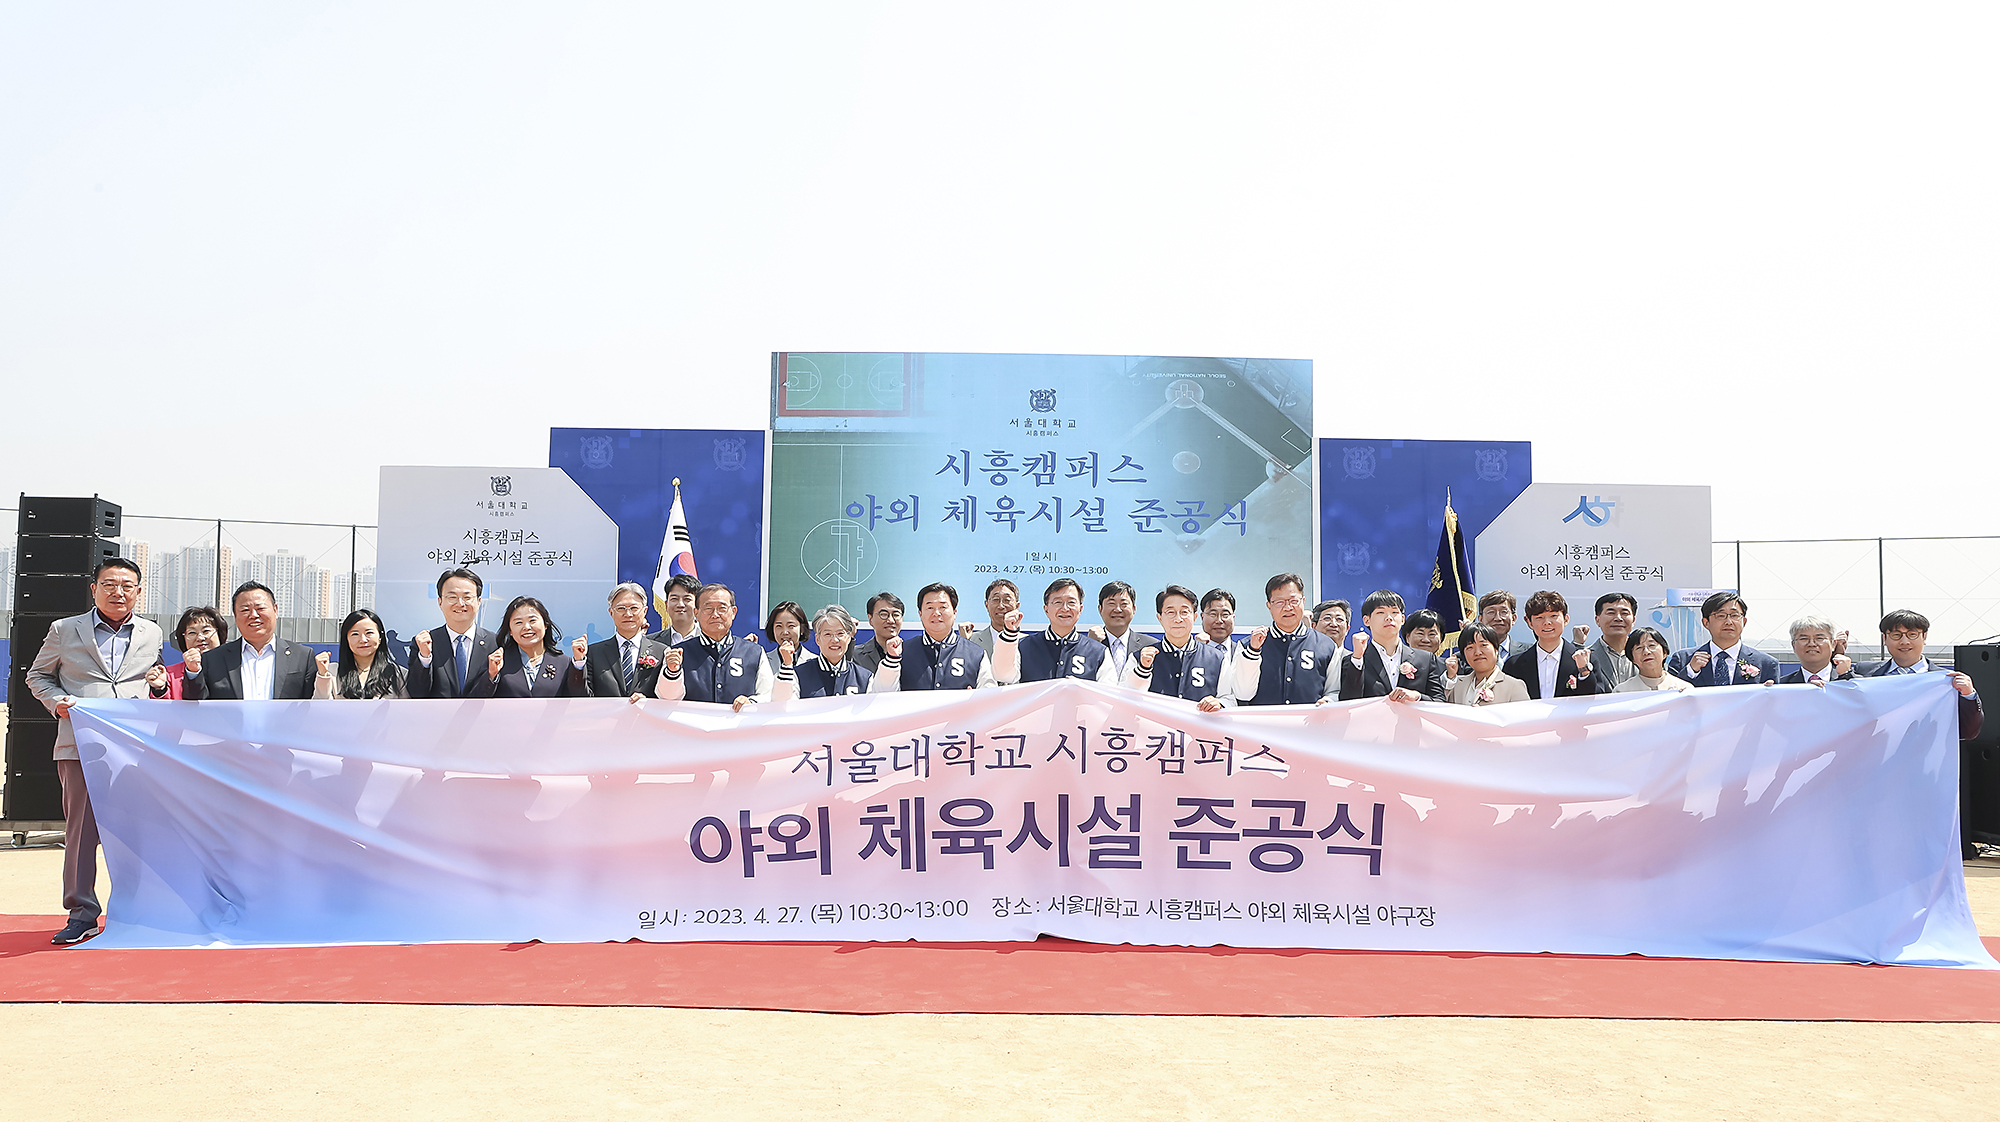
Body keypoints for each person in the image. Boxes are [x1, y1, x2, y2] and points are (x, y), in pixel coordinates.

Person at [24, 558, 164, 946]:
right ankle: (81, 913)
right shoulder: (64, 629)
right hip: (80, 746)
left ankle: (135, 910)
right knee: (81, 834)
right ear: (94, 589)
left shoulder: (152, 632)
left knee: (136, 834)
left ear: (138, 591)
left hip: (134, 749)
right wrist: (58, 703)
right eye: (110, 584)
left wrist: (158, 686)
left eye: (127, 586)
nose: (118, 592)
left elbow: (154, 683)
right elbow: (37, 676)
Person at [183, 581, 319, 700]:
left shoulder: (302, 657)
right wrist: (193, 673)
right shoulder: (213, 659)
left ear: (275, 610)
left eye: (260, 608)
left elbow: (313, 705)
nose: (253, 615)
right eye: (245, 610)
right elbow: (197, 706)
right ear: (235, 615)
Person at [1866, 609, 1982, 739]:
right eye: (1896, 635)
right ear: (1884, 638)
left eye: (1912, 634)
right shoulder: (1865, 674)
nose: (1904, 641)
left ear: (1924, 637)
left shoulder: (1948, 681)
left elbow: (1968, 732)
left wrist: (1968, 695)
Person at [654, 583, 773, 710]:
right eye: (708, 609)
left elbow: (769, 694)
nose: (715, 615)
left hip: (740, 722)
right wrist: (672, 672)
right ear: (696, 613)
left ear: (733, 612)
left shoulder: (754, 652)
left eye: (722, 608)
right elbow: (666, 698)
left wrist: (751, 702)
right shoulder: (678, 652)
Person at [879, 582, 1019, 690]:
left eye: (943, 607)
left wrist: (974, 701)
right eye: (930, 607)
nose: (936, 613)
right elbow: (883, 695)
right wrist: (892, 660)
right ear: (920, 613)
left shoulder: (976, 654)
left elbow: (989, 698)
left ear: (954, 612)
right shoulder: (902, 652)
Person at [1233, 573, 1343, 705]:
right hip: (1264, 719)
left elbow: (1334, 691)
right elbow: (1242, 694)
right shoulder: (1247, 646)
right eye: (1279, 602)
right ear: (1269, 606)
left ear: (1303, 601)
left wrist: (1327, 701)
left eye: (1293, 601)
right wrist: (1253, 651)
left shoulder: (1326, 646)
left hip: (1310, 718)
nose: (1288, 608)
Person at [1124, 585, 1231, 710]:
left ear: (1195, 616)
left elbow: (1229, 699)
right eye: (1171, 612)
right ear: (1160, 617)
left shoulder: (1217, 658)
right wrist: (1143, 668)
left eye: (1184, 612)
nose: (1178, 619)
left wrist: (1219, 703)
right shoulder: (1139, 658)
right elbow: (1125, 698)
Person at [1337, 589, 1448, 702]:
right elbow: (1348, 703)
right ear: (1366, 620)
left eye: (1394, 612)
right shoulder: (1354, 661)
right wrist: (1357, 659)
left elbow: (1439, 702)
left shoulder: (1425, 659)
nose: (1389, 617)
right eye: (1381, 612)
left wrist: (1417, 696)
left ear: (1403, 619)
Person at [406, 568, 500, 699]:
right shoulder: (426, 643)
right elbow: (416, 693)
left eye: (467, 597)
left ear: (479, 602)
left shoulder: (495, 643)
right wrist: (425, 658)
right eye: (452, 597)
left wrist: (491, 675)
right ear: (440, 602)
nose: (460, 604)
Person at [1008, 578, 1116, 684]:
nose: (1065, 608)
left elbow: (1108, 692)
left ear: (1080, 609)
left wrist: (1083, 687)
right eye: (1058, 602)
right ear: (1046, 609)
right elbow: (1008, 684)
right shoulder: (1023, 647)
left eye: (1071, 602)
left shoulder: (1099, 652)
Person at [480, 596, 588, 698]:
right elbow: (476, 699)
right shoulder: (498, 662)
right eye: (519, 622)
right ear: (510, 631)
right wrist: (491, 675)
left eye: (532, 621)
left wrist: (578, 663)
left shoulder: (563, 663)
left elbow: (581, 700)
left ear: (545, 625)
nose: (527, 627)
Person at [1501, 590, 1601, 700]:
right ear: (1529, 622)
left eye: (1553, 616)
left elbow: (1597, 699)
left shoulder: (1587, 660)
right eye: (1539, 617)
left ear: (1566, 619)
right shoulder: (1514, 665)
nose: (1547, 622)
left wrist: (1584, 672)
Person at [1666, 593, 1782, 687]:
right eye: (1721, 616)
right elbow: (1671, 697)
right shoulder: (1683, 659)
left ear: (1744, 621)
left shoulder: (1766, 664)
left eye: (1735, 615)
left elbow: (1773, 704)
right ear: (1706, 623)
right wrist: (1691, 671)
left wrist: (1769, 693)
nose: (1729, 622)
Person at [587, 583, 674, 699]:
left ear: (645, 611)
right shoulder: (594, 653)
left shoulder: (661, 652)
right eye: (621, 609)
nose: (628, 614)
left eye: (634, 608)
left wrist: (649, 703)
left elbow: (668, 697)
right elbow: (583, 697)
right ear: (611, 612)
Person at [773, 605, 876, 699]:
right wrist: (787, 664)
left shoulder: (865, 678)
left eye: (840, 633)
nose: (835, 640)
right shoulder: (799, 675)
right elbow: (782, 705)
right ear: (817, 639)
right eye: (828, 634)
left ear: (849, 637)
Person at [313, 608, 408, 698]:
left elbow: (406, 707)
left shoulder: (398, 674)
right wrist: (323, 676)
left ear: (380, 637)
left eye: (369, 633)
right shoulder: (332, 671)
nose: (363, 640)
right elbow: (319, 706)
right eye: (355, 634)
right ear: (346, 639)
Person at [145, 606, 228, 700]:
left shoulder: (233, 669)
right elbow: (162, 707)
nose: (200, 638)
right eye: (192, 633)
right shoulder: (169, 674)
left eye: (206, 631)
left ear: (220, 634)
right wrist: (159, 690)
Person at [1091, 580, 1158, 681]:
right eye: (1111, 603)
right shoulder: (1088, 645)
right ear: (1100, 609)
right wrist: (1092, 645)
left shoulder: (1151, 645)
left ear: (1134, 609)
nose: (1118, 609)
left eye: (1124, 604)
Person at [1447, 624, 1529, 705]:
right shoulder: (1457, 685)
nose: (1477, 652)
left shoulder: (1514, 686)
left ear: (1496, 650)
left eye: (1483, 645)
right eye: (1470, 647)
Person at [1779, 615, 1855, 685]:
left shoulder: (1853, 681)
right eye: (1804, 639)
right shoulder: (1781, 686)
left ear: (1833, 644)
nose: (1812, 644)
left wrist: (1846, 675)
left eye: (1819, 638)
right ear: (1793, 645)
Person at [1616, 628, 1695, 693]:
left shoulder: (1684, 688)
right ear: (1632, 658)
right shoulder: (1622, 691)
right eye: (1639, 648)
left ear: (1664, 652)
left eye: (1651, 645)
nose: (1646, 652)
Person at [1586, 592, 1640, 688]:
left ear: (1634, 620)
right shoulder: (1586, 657)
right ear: (1597, 620)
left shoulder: (1647, 655)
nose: (1618, 618)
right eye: (1611, 613)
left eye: (1624, 613)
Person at [851, 592, 904, 675]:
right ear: (870, 619)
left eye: (896, 615)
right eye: (884, 614)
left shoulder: (913, 654)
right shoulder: (855, 655)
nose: (891, 620)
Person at [965, 579, 1019, 657]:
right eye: (996, 599)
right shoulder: (971, 640)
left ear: (1017, 606)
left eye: (1007, 600)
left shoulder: (1027, 643)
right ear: (986, 605)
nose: (1001, 606)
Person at [648, 572, 703, 648]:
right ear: (666, 605)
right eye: (674, 599)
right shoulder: (650, 642)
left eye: (687, 599)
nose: (680, 604)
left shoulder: (710, 641)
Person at [762, 600, 810, 684]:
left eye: (791, 626)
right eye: (779, 626)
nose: (785, 632)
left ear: (802, 629)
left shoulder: (813, 661)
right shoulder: (763, 661)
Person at [1477, 590, 1522, 658]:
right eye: (1491, 612)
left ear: (1513, 618)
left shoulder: (1530, 653)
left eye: (1503, 612)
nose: (1497, 618)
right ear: (1480, 619)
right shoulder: (1467, 656)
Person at [1199, 588, 1239, 654]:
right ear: (1202, 617)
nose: (1219, 621)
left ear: (1233, 617)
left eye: (1225, 614)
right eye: (1213, 614)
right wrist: (1197, 652)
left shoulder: (1243, 652)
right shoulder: (1188, 653)